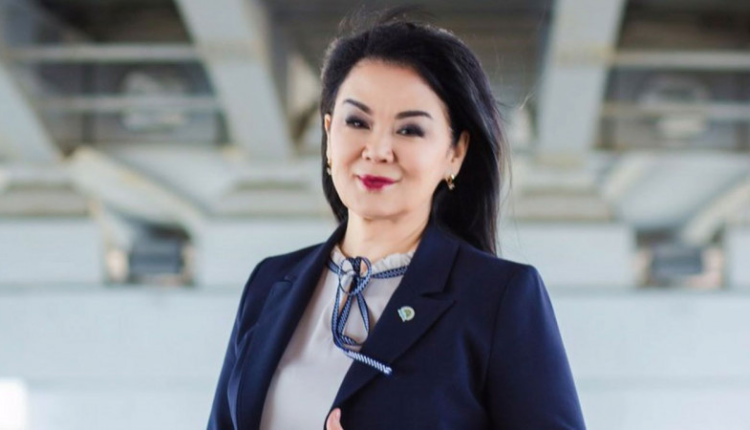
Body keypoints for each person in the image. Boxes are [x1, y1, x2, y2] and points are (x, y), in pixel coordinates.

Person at [207, 7, 586, 430]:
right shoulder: (269, 283)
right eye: (357, 122)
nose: (377, 150)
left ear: (455, 153)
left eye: (409, 130)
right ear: (329, 134)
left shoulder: (500, 298)